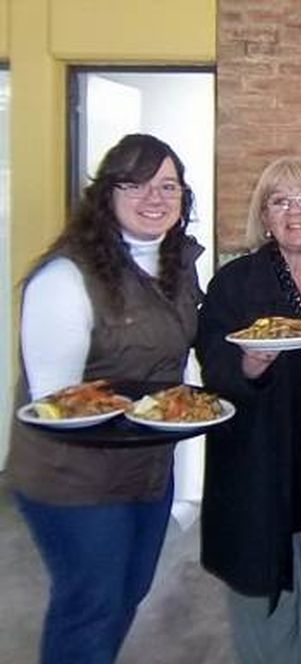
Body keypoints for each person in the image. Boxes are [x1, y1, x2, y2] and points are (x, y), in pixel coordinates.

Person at [7, 134, 203, 664]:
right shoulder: (66, 275)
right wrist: (146, 414)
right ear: (106, 193)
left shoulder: (177, 265)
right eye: (135, 184)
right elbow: (57, 404)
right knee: (89, 606)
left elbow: (180, 367)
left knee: (123, 599)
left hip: (145, 469)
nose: (154, 197)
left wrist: (187, 480)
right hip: (73, 478)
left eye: (168, 186)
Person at [195, 157, 301, 664]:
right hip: (258, 472)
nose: (295, 211)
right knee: (262, 622)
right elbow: (213, 360)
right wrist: (247, 366)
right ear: (264, 215)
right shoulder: (234, 281)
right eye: (280, 200)